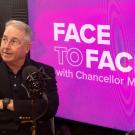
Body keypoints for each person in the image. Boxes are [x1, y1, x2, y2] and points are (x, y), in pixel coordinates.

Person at [0, 20, 59, 135]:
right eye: (4, 39)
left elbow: (49, 109)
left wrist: (8, 104)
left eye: (14, 41)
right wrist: (30, 110)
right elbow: (39, 108)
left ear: (27, 48)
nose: (6, 46)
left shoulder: (44, 71)